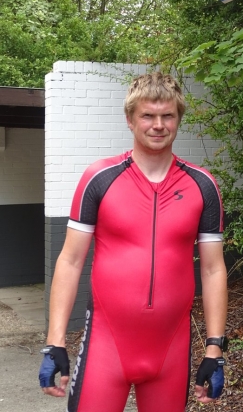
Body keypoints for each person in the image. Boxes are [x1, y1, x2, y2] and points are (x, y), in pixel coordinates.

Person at [39, 72, 228, 412]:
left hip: (170, 349)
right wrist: (55, 342)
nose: (158, 125)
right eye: (148, 115)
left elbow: (213, 270)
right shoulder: (99, 178)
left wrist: (214, 348)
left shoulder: (203, 185)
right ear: (130, 119)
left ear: (178, 119)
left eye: (167, 115)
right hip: (106, 346)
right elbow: (70, 260)